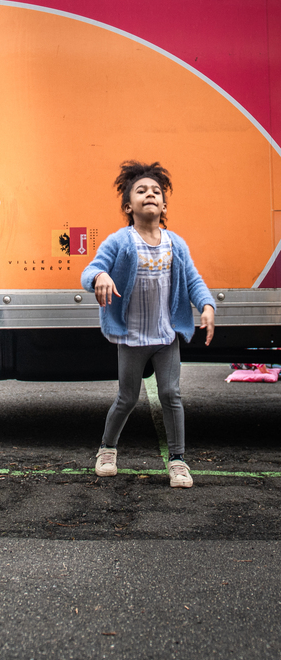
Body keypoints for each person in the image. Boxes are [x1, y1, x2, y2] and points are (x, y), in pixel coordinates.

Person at [81, 161, 215, 489]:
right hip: (132, 336)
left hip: (166, 335)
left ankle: (178, 460)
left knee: (171, 394)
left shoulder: (175, 244)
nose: (150, 194)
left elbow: (193, 280)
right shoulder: (119, 241)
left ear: (164, 205)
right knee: (127, 398)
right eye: (141, 191)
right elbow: (90, 269)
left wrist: (207, 305)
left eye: (156, 191)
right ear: (129, 206)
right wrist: (100, 276)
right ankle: (107, 449)